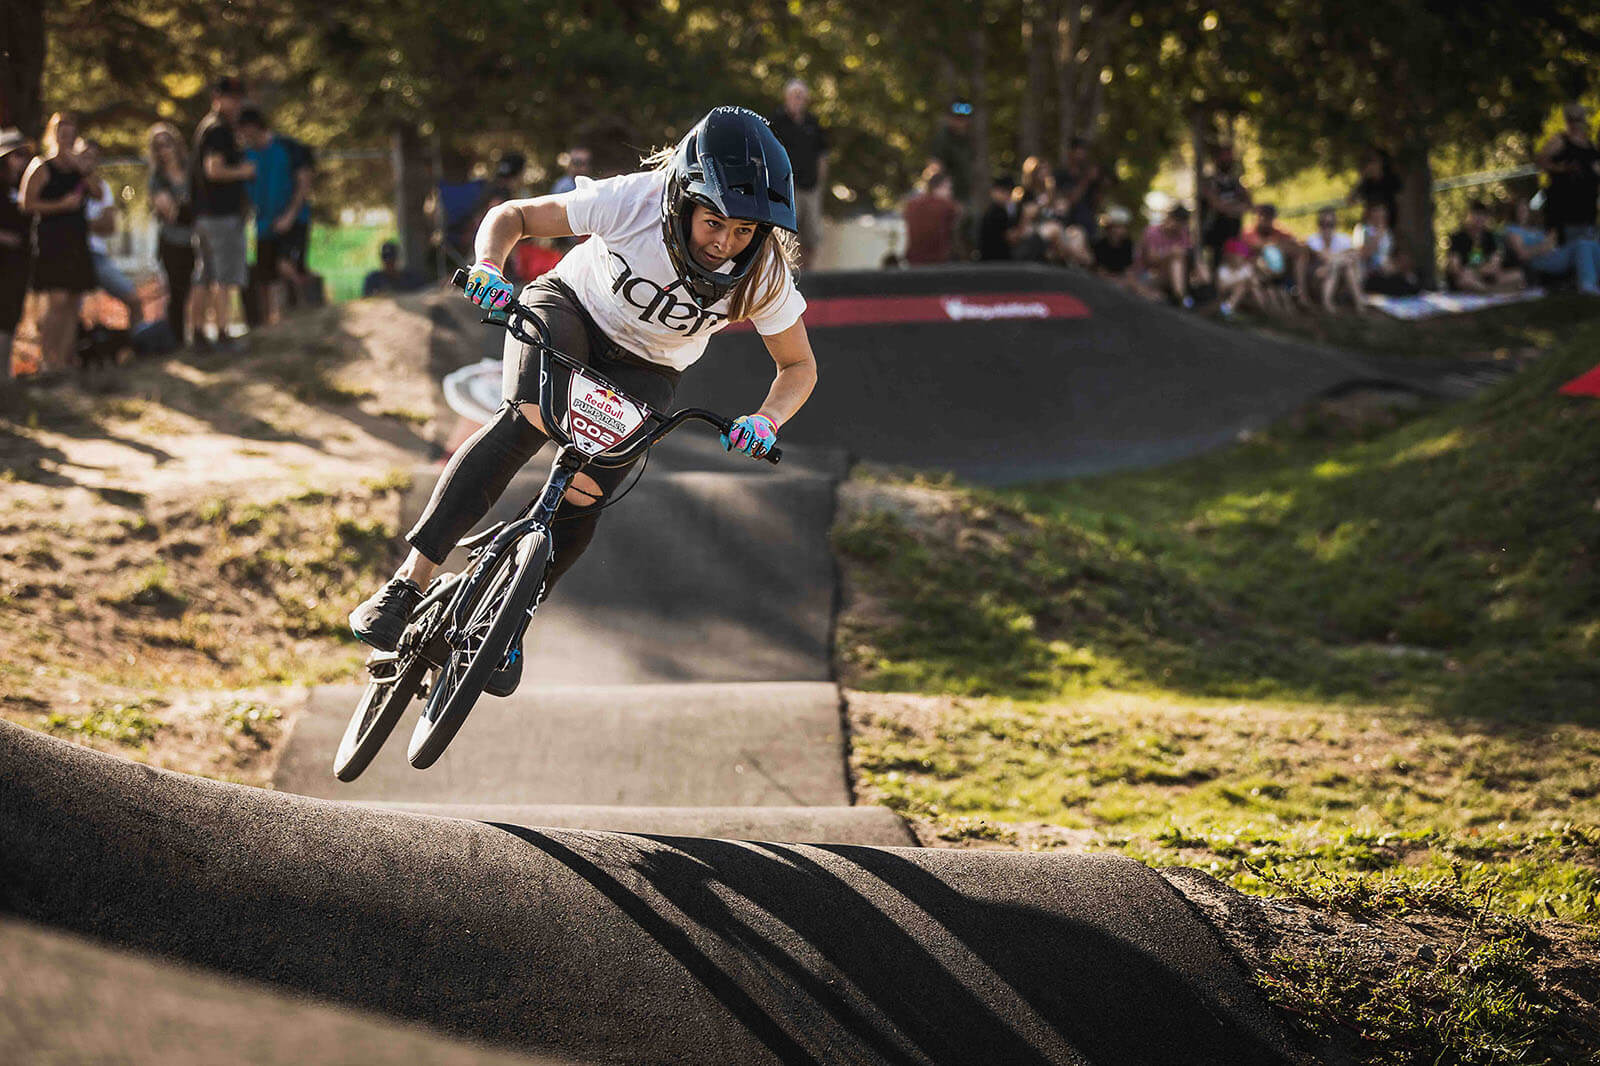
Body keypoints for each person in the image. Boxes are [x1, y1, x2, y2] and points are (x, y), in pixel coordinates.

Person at [348, 106, 819, 684]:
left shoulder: (762, 273)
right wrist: (490, 269)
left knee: (585, 492)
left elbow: (797, 366)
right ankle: (407, 583)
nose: (724, 244)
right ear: (685, 200)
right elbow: (514, 214)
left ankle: (508, 621)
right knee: (529, 419)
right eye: (713, 223)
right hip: (571, 309)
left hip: (649, 366)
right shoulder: (637, 201)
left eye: (743, 231)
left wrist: (767, 420)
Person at [19, 111, 93, 372]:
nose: (67, 138)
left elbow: (98, 191)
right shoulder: (41, 165)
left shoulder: (80, 168)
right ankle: (48, 361)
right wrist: (60, 205)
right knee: (57, 302)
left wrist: (83, 167)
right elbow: (26, 203)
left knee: (74, 301)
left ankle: (64, 361)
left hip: (77, 240)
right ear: (54, 135)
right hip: (53, 241)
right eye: (63, 133)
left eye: (72, 133)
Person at [191, 75, 256, 349]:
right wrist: (244, 171)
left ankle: (198, 333)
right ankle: (221, 333)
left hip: (206, 215)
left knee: (205, 275)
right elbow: (213, 169)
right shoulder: (217, 129)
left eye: (240, 98)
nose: (237, 104)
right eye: (232, 98)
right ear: (217, 98)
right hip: (219, 216)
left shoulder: (213, 127)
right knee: (223, 278)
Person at [238, 106, 314, 326]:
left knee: (287, 265)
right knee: (265, 276)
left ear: (253, 127)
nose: (242, 136)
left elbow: (304, 181)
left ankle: (305, 308)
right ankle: (272, 322)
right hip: (263, 224)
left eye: (244, 131)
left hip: (294, 219)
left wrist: (290, 215)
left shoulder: (288, 147)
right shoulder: (246, 156)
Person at [79, 139, 145, 330]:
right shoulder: (65, 183)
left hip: (97, 254)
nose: (88, 161)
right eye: (84, 155)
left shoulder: (102, 187)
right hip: (72, 254)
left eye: (93, 157)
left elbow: (109, 225)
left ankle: (138, 346)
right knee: (71, 310)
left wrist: (81, 224)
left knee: (133, 298)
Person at [767, 78, 829, 268]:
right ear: (786, 98)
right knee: (787, 233)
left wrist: (821, 181)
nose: (798, 100)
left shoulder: (813, 122)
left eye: (801, 96)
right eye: (794, 96)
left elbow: (823, 154)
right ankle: (787, 272)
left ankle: (809, 273)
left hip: (811, 186)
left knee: (812, 235)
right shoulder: (776, 121)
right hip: (787, 186)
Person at [146, 121, 197, 345]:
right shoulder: (157, 179)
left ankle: (200, 334)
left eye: (167, 143)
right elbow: (172, 213)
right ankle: (177, 341)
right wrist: (192, 209)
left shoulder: (192, 170)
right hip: (173, 242)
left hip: (200, 240)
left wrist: (187, 208)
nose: (165, 149)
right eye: (158, 146)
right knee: (178, 292)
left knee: (199, 289)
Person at [1502, 199, 1600, 296]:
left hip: (1554, 254)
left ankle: (1594, 283)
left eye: (1525, 210)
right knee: (1581, 244)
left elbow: (1551, 244)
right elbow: (1522, 254)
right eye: (1520, 210)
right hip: (1540, 260)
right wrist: (1543, 246)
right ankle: (1587, 285)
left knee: (1590, 244)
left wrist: (1551, 241)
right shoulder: (1513, 230)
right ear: (1514, 212)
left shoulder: (1535, 228)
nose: (1523, 213)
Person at [1536, 103, 1600, 244]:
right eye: (1573, 119)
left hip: (1587, 213)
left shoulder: (1590, 145)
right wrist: (1562, 169)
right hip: (1564, 213)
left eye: (1580, 118)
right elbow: (1541, 161)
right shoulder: (1560, 140)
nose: (1578, 123)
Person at [0, 129, 33, 378]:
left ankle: (5, 374)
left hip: (19, 262)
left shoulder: (26, 185)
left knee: (12, 315)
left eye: (24, 155)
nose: (20, 160)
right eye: (15, 155)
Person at [1198, 142, 1251, 275]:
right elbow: (1218, 205)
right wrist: (1234, 207)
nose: (1228, 160)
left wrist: (1232, 207)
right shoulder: (1210, 181)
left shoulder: (1236, 182)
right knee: (1216, 262)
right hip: (1214, 233)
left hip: (1234, 232)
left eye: (1230, 156)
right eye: (1224, 156)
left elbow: (1248, 204)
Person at [1446, 200, 1520, 293]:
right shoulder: (1457, 237)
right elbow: (1455, 267)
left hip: (1482, 277)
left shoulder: (1491, 237)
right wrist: (1469, 273)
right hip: (1466, 278)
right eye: (1476, 215)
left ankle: (1485, 289)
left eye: (1483, 215)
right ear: (1469, 216)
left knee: (1517, 275)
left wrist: (1476, 272)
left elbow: (1494, 265)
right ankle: (1491, 290)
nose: (1479, 219)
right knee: (1464, 280)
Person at [1243, 203, 1308, 308]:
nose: (1265, 220)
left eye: (1268, 217)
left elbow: (1296, 243)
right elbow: (1256, 246)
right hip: (1257, 272)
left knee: (1300, 254)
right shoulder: (1249, 233)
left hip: (1279, 272)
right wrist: (1272, 246)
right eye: (1262, 216)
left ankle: (1302, 295)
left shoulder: (1278, 232)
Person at [1305, 208, 1366, 312]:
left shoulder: (1343, 239)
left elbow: (1355, 254)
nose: (1327, 228)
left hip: (1337, 274)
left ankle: (1330, 303)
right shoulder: (1312, 240)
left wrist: (1337, 260)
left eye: (1330, 224)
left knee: (1346, 267)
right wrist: (1341, 257)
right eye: (1323, 224)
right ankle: (1358, 302)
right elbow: (1323, 257)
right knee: (1337, 266)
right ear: (1319, 224)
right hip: (1319, 277)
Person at [1135, 204, 1195, 306]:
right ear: (1169, 217)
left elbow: (1187, 255)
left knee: (1178, 261)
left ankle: (1181, 296)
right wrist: (1170, 253)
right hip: (1145, 276)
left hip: (1170, 278)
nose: (1177, 225)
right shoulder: (1152, 231)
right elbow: (1150, 259)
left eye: (1181, 222)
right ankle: (1181, 298)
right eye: (1176, 220)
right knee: (1175, 260)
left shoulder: (1182, 235)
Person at [1354, 203, 1419, 296]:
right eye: (1376, 211)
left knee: (1411, 280)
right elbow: (1364, 254)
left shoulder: (1388, 231)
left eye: (1382, 211)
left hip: (1388, 267)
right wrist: (1378, 235)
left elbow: (1390, 253)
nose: (1380, 214)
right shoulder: (1363, 229)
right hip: (1372, 270)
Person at [901, 170, 960, 265]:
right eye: (949, 188)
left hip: (914, 260)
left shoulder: (911, 205)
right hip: (938, 261)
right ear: (942, 186)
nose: (950, 193)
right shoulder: (947, 206)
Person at [927, 100, 974, 204]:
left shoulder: (967, 138)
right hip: (948, 195)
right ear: (950, 118)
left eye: (964, 118)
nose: (961, 121)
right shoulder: (943, 139)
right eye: (957, 118)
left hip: (965, 194)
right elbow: (935, 166)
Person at [1347, 148, 1401, 231]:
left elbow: (1400, 200)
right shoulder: (1366, 182)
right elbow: (1350, 201)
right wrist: (1362, 178)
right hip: (1370, 225)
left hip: (1390, 225)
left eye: (1374, 161)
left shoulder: (1391, 180)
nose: (1372, 165)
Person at [1215, 237, 1269, 317]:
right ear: (1231, 257)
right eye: (1241, 256)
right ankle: (1227, 309)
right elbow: (1220, 288)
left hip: (1245, 296)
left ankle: (1264, 311)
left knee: (1253, 288)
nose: (1244, 259)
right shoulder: (1223, 270)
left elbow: (1255, 284)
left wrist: (1252, 279)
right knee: (1241, 287)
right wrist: (1240, 282)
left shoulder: (1246, 268)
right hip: (1226, 294)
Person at [362, 241, 429, 296]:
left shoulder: (412, 278)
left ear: (398, 259)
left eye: (392, 260)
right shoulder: (374, 279)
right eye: (385, 259)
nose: (389, 264)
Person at [977, 174, 1016, 261]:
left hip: (991, 261)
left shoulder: (995, 210)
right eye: (1003, 191)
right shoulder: (997, 212)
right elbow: (1011, 238)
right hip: (997, 262)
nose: (1007, 195)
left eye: (1009, 192)